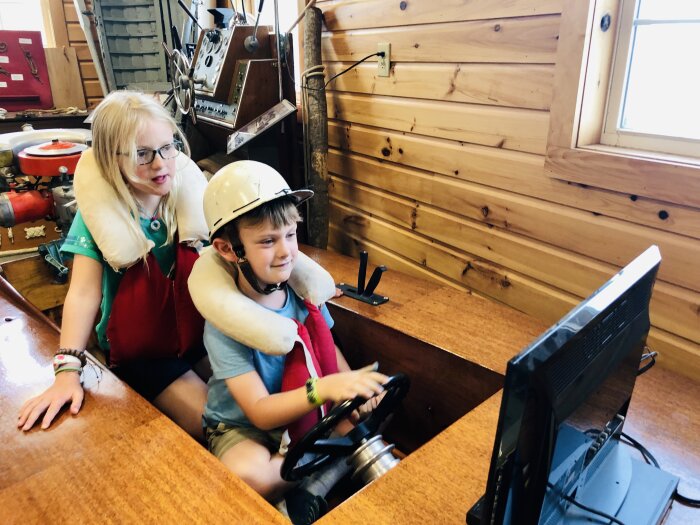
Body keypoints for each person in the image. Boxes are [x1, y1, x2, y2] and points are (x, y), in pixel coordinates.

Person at [188, 160, 388, 524]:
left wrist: (356, 385)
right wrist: (324, 389)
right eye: (267, 241)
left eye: (290, 235)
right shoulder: (224, 324)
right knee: (249, 477)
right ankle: (324, 471)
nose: (285, 252)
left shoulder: (300, 294)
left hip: (308, 414)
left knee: (372, 412)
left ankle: (311, 478)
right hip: (243, 427)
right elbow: (259, 410)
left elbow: (330, 352)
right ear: (229, 249)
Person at [17, 90, 211, 440]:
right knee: (212, 422)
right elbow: (83, 294)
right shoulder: (99, 218)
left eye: (168, 148)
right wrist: (67, 370)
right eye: (143, 154)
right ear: (110, 159)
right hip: (145, 355)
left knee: (253, 400)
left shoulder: (186, 203)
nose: (160, 163)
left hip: (199, 336)